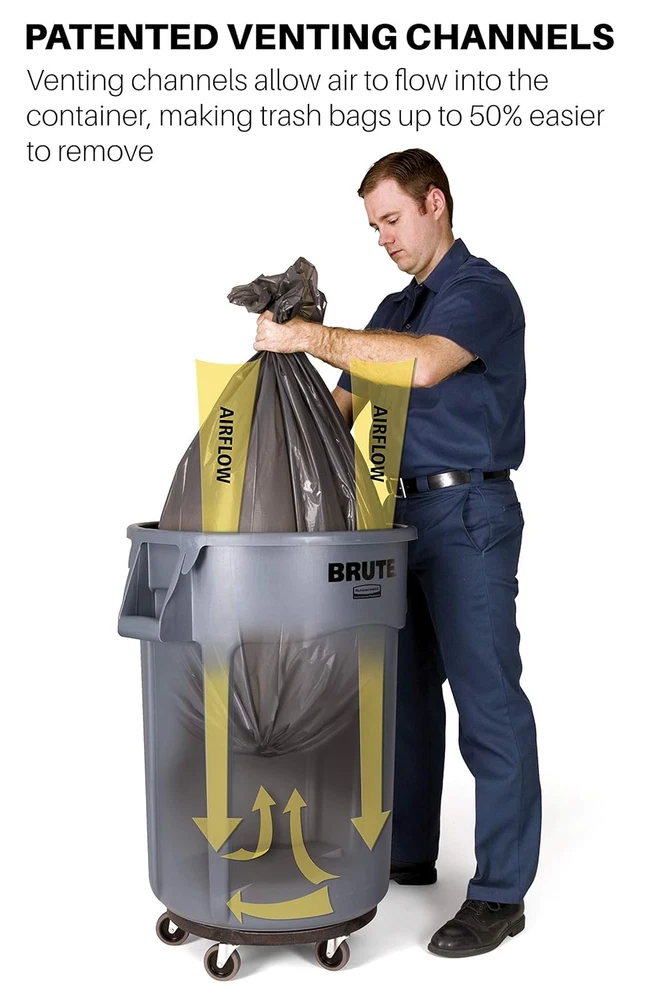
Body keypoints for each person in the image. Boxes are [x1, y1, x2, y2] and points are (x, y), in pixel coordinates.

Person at [254, 148, 541, 959]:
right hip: (392, 519)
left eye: (390, 219)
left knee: (487, 700)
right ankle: (408, 852)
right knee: (403, 697)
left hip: (467, 514)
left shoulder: (480, 291)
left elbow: (421, 368)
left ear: (433, 203)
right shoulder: (391, 307)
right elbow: (339, 410)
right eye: (372, 226)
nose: (381, 237)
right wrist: (275, 367)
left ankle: (499, 895)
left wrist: (311, 336)